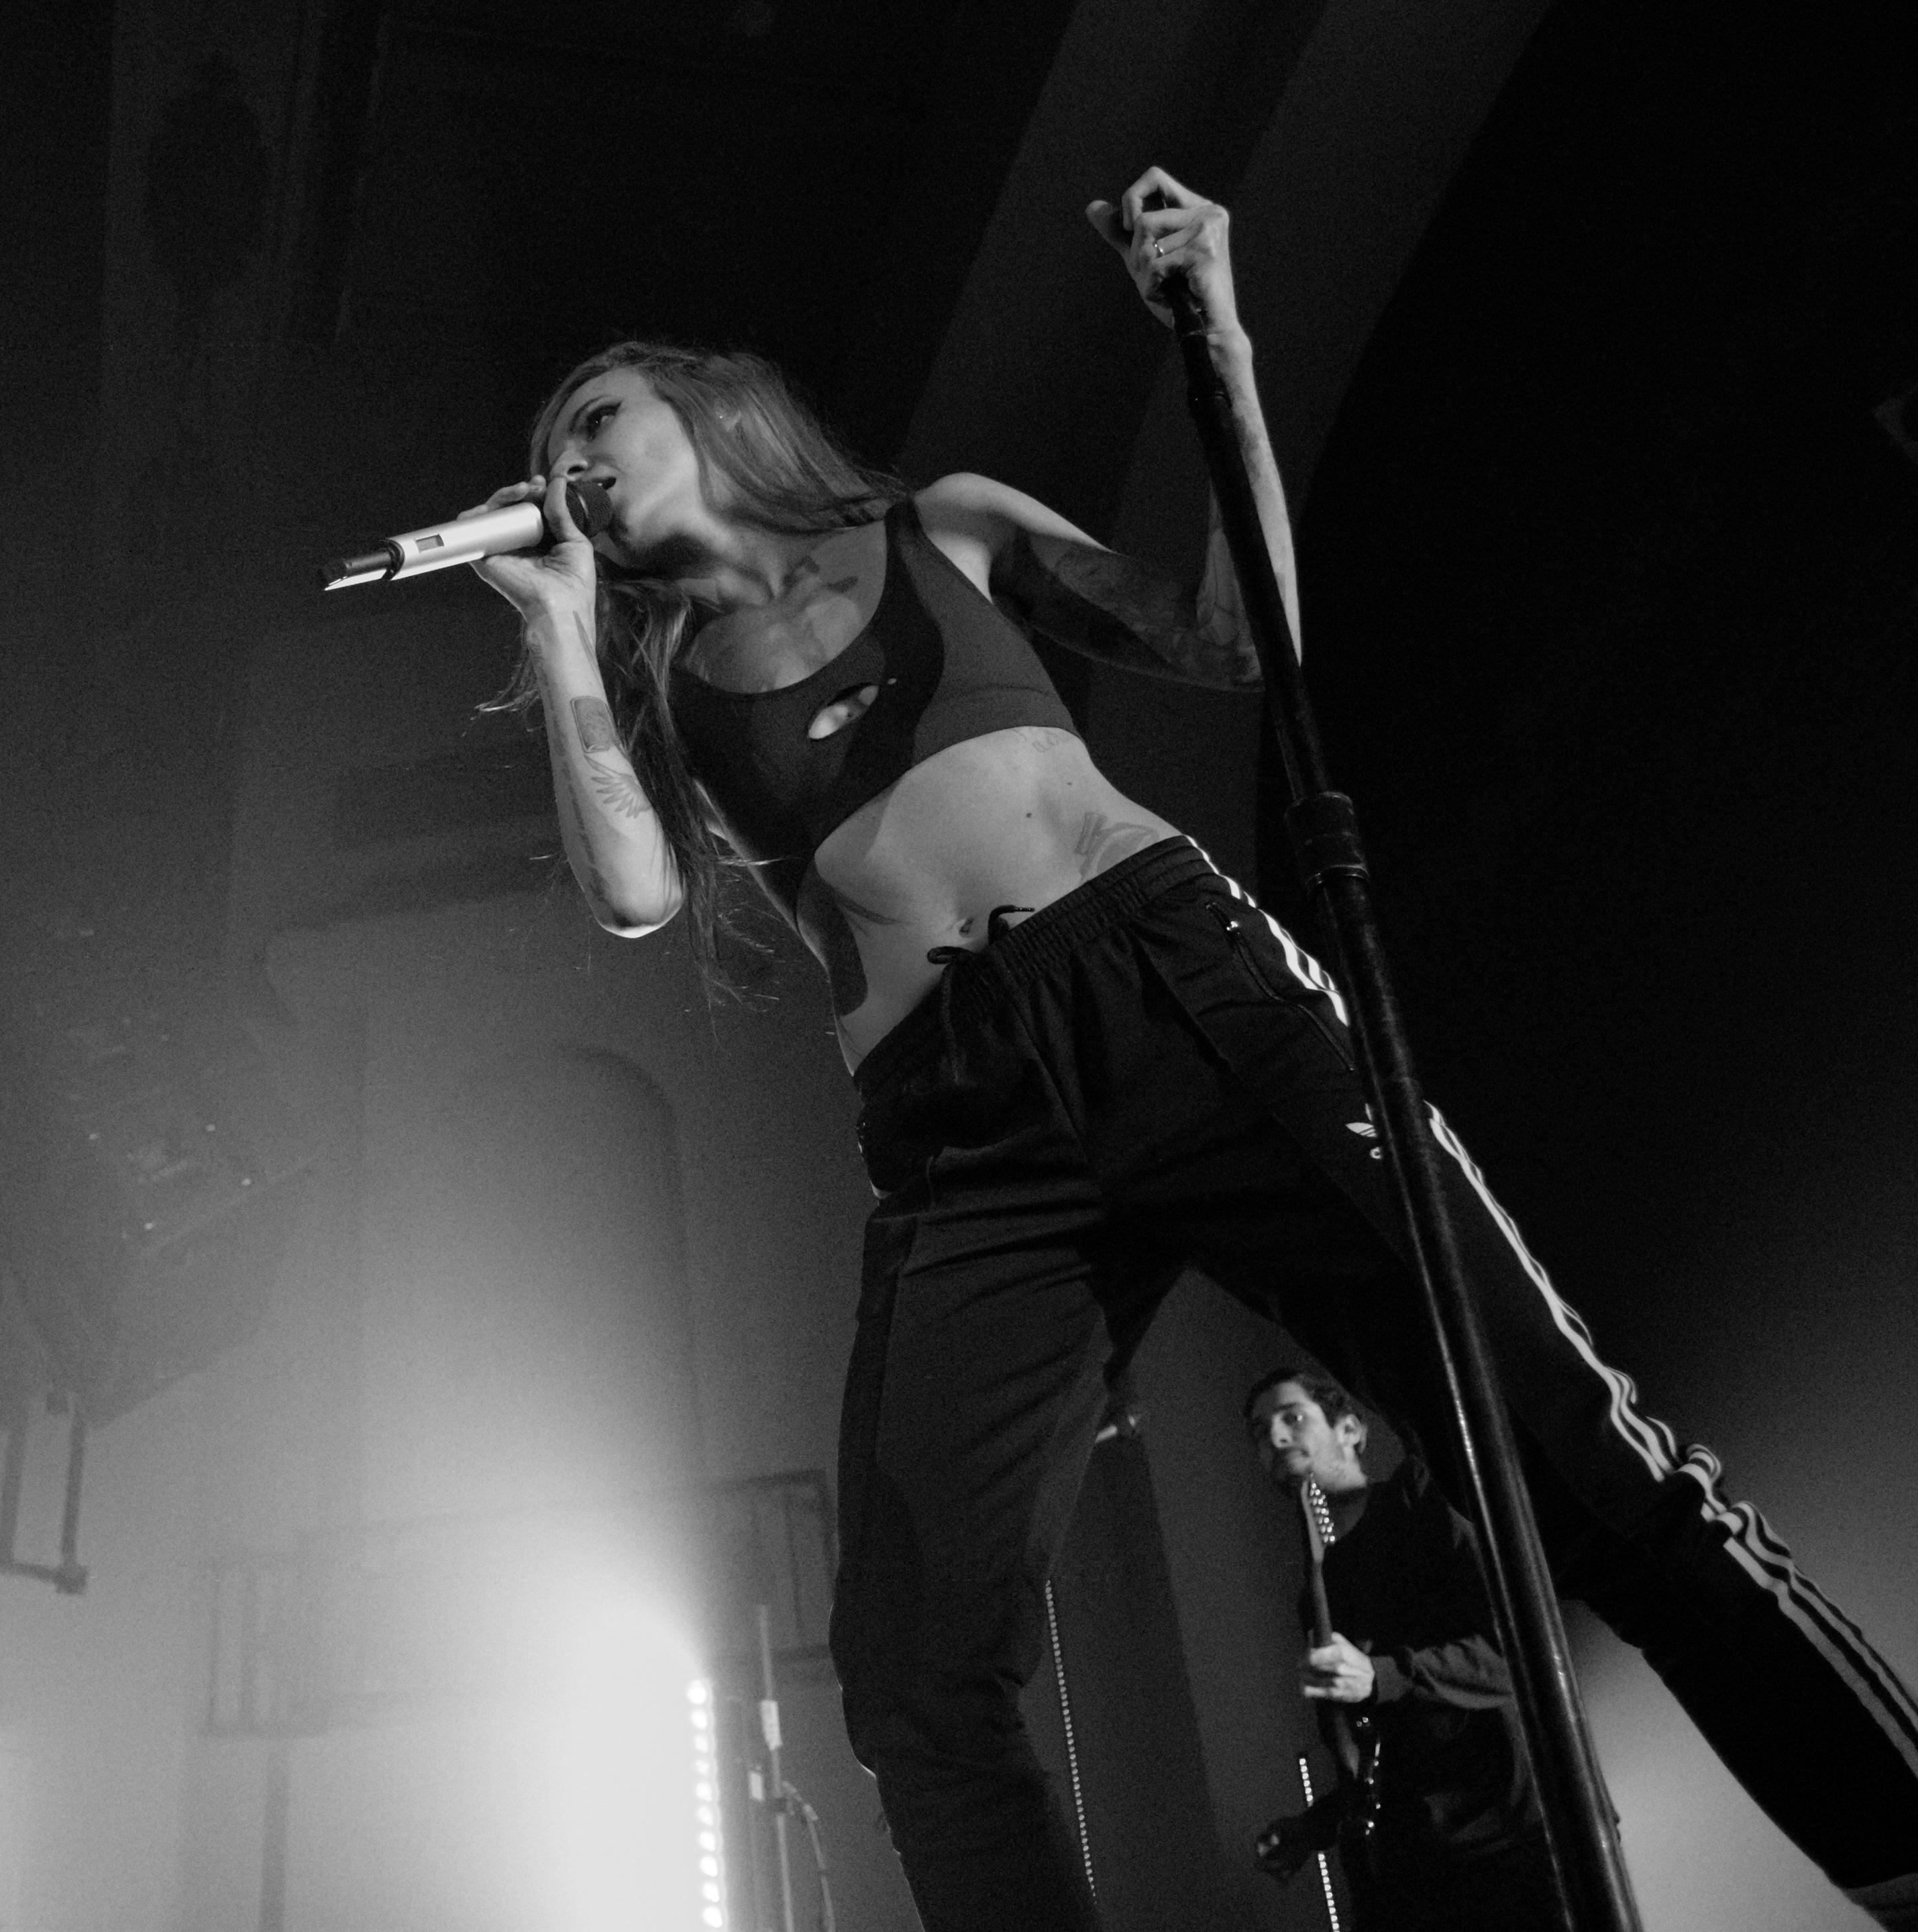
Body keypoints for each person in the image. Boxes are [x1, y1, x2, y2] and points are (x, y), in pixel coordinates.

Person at [461, 166, 1918, 1931]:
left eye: (595, 421)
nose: (573, 465)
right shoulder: (663, 683)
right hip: (960, 1133)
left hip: (1171, 989)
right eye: (552, 458)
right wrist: (559, 630)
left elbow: (1233, 645)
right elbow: (632, 895)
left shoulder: (942, 527)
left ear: (703, 405)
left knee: (1577, 1455)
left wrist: (1214, 336)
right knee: (914, 1672)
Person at [1246, 1368, 1565, 1930]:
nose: (1274, 1437)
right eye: (1259, 1431)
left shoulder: (1422, 1497)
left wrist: (1382, 1675)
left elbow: (1519, 1652)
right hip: (1411, 1874)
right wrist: (1315, 1827)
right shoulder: (1317, 1590)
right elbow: (1386, 1746)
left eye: (1291, 1417)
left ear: (1350, 1430)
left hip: (1514, 1843)